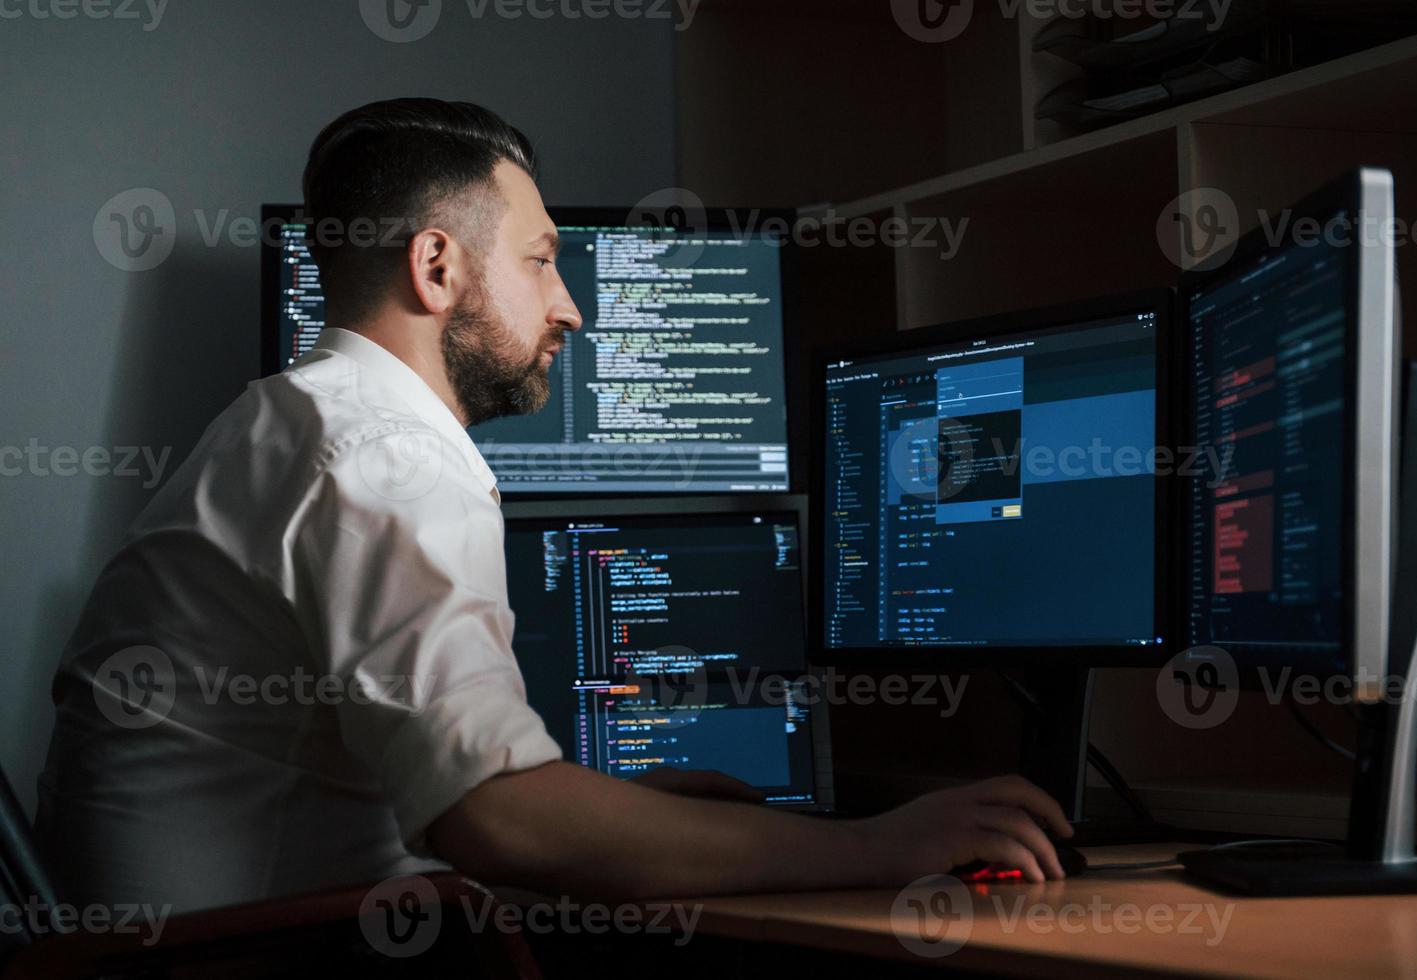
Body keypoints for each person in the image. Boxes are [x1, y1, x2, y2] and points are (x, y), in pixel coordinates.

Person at [36, 98, 1072, 913]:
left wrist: (627, 810)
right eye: (540, 261)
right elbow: (492, 821)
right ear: (437, 265)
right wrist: (878, 843)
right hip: (255, 958)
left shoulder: (288, 417)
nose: (569, 304)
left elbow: (440, 789)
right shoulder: (388, 451)